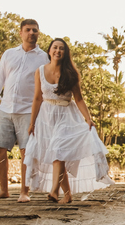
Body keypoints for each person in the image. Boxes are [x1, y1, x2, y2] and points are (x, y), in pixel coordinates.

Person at [23, 38, 112, 203]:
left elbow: (79, 99)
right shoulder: (40, 71)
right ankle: (68, 194)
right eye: (55, 47)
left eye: (61, 48)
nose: (58, 51)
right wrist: (32, 123)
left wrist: (88, 119)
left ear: (65, 53)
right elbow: (37, 98)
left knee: (58, 151)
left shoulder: (71, 74)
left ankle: (54, 191)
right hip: (46, 117)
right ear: (49, 51)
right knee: (57, 155)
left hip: (67, 115)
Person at [0, 19, 46, 201]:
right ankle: (3, 190)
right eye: (28, 30)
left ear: (38, 33)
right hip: (5, 109)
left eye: (35, 30)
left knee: (26, 152)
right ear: (20, 33)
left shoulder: (44, 58)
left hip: (28, 111)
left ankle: (24, 192)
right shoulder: (9, 54)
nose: (31, 33)